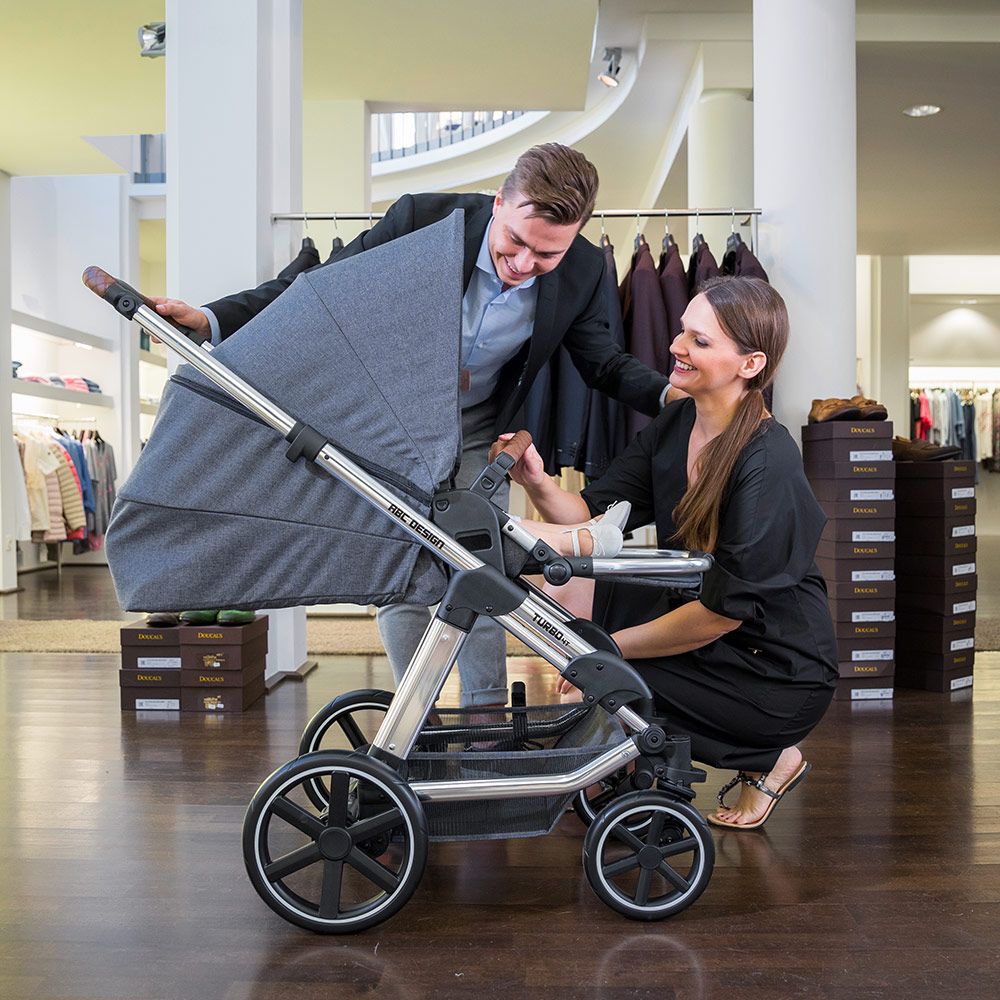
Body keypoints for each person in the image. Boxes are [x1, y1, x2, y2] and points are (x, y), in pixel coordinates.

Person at [149, 143, 672, 710]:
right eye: (515, 241)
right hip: (396, 420)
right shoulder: (423, 220)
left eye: (546, 254)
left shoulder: (585, 269)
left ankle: (485, 716)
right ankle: (413, 714)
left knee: (482, 565)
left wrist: (669, 393)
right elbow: (318, 290)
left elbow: (602, 361)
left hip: (478, 427)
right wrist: (213, 318)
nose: (524, 264)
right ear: (499, 202)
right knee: (400, 560)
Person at [503, 276, 837, 830]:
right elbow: (590, 510)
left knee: (606, 674)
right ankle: (624, 749)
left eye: (699, 341)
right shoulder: (678, 423)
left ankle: (772, 754)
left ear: (750, 364)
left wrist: (609, 651)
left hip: (774, 668)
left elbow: (722, 614)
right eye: (683, 331)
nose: (676, 347)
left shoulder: (767, 462)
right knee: (581, 596)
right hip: (708, 625)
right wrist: (536, 481)